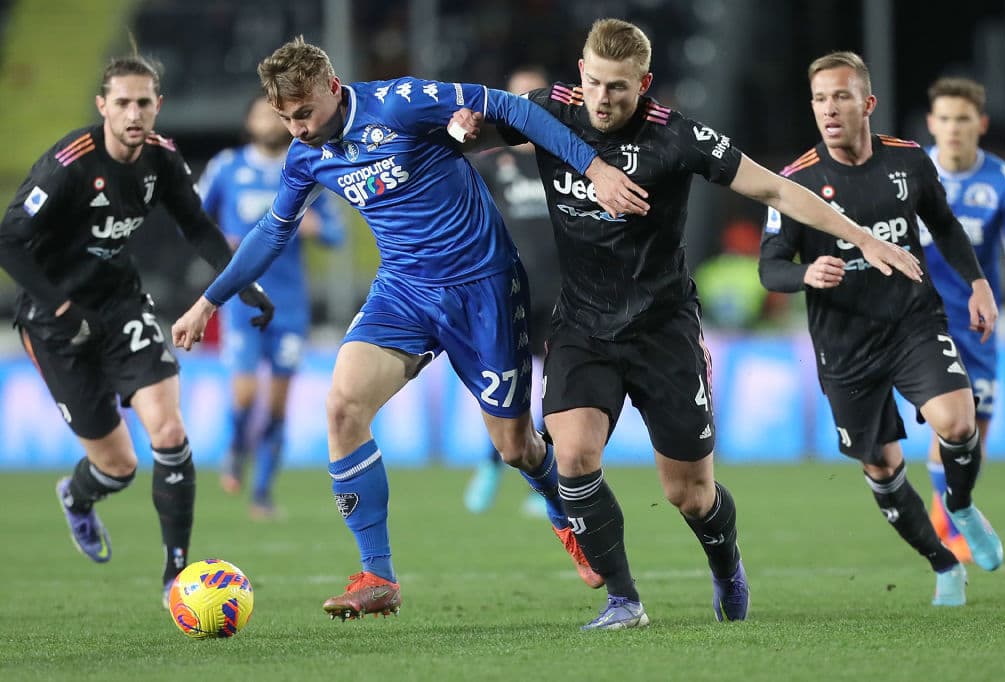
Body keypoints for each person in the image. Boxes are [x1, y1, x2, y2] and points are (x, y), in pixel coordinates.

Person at [449, 20, 922, 630]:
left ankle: (726, 567)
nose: (601, 98)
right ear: (580, 71)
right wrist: (461, 127)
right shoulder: (550, 111)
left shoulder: (678, 137)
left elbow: (775, 190)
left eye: (618, 87)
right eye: (592, 81)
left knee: (689, 495)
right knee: (572, 457)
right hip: (582, 328)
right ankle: (624, 601)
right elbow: (471, 121)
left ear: (644, 84)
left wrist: (859, 236)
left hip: (663, 331)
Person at [170, 36, 652, 621]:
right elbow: (272, 233)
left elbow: (515, 109)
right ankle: (379, 575)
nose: (297, 129)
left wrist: (595, 167)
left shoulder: (401, 102)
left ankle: (561, 513)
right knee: (343, 407)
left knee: (515, 446)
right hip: (401, 291)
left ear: (332, 88)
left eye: (305, 113)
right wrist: (207, 302)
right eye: (286, 118)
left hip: (483, 290)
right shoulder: (307, 157)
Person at [0, 52, 274, 607]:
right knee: (118, 466)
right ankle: (78, 498)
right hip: (57, 324)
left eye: (143, 102)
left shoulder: (162, 161)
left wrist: (241, 282)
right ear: (103, 105)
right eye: (122, 102)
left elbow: (197, 227)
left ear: (158, 107)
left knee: (169, 435)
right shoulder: (69, 163)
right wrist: (58, 307)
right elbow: (9, 240)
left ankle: (178, 576)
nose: (133, 113)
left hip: (122, 306)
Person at [759, 51, 1004, 608]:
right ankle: (943, 564)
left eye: (841, 96)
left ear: (867, 103)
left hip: (912, 322)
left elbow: (943, 225)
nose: (829, 109)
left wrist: (979, 284)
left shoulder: (909, 161)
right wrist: (806, 273)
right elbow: (769, 267)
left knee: (959, 422)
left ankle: (960, 506)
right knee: (883, 466)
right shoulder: (795, 182)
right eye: (820, 99)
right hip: (845, 344)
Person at [199, 95, 346, 520]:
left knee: (279, 405)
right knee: (245, 396)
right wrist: (217, 243)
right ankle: (236, 446)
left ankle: (262, 494)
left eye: (274, 114)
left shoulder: (309, 164)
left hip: (290, 305)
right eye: (260, 112)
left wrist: (316, 226)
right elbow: (192, 217)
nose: (267, 120)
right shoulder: (227, 166)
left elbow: (337, 235)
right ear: (249, 121)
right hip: (242, 300)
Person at [918, 77, 1005, 561]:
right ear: (931, 124)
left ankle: (954, 507)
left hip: (976, 324)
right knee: (951, 427)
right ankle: (952, 529)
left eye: (963, 119)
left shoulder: (1003, 182)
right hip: (918, 322)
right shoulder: (911, 172)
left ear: (979, 124)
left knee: (973, 434)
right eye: (944, 118)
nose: (953, 128)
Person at [463, 67, 556, 518]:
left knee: (558, 390)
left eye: (533, 98)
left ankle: (547, 483)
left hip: (562, 292)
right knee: (508, 390)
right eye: (517, 99)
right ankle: (491, 465)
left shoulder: (568, 160)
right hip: (508, 291)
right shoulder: (492, 163)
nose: (526, 108)